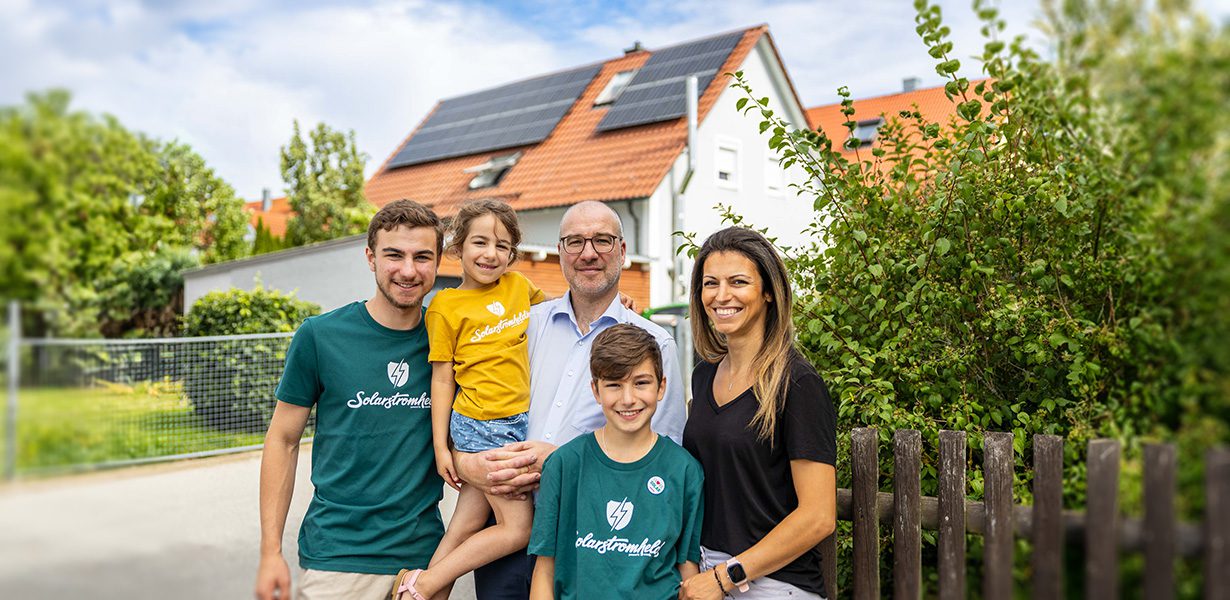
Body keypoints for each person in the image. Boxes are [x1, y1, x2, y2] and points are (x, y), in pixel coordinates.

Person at [454, 200, 687, 600]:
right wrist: (467, 463)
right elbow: (472, 406)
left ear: (623, 250)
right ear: (560, 252)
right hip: (506, 530)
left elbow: (663, 464)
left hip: (594, 541)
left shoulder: (654, 344)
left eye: (602, 240)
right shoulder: (523, 325)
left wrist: (564, 462)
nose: (589, 252)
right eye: (575, 241)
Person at [254, 199, 445, 600]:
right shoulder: (320, 336)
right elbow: (283, 440)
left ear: (438, 261)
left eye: (422, 257)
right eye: (394, 255)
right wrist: (270, 551)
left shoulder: (449, 340)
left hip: (423, 558)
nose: (408, 270)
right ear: (370, 257)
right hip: (337, 556)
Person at [393, 199, 545, 600]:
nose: (491, 254)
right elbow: (442, 379)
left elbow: (564, 314)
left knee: (464, 525)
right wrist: (442, 446)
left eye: (502, 246)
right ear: (458, 247)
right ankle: (423, 584)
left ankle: (417, 592)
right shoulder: (445, 306)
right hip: (480, 424)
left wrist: (622, 307)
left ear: (512, 254)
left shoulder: (520, 287)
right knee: (518, 528)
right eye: (480, 242)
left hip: (518, 421)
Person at [678, 226, 837, 600]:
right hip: (705, 575)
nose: (721, 296)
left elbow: (818, 516)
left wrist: (725, 577)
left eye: (738, 282)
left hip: (773, 584)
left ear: (768, 291)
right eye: (710, 283)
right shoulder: (704, 375)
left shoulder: (797, 384)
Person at [528, 324, 703, 599]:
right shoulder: (564, 465)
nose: (628, 399)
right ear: (596, 391)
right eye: (614, 385)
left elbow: (687, 570)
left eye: (641, 383)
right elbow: (545, 569)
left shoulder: (684, 471)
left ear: (662, 387)